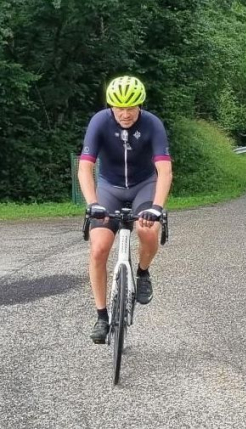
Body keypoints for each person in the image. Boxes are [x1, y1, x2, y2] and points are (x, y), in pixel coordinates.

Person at [78, 76, 173, 344]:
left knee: (148, 232)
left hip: (144, 185)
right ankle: (101, 317)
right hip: (110, 188)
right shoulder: (99, 122)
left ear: (139, 105)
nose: (125, 113)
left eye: (131, 107)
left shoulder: (152, 124)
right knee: (98, 248)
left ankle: (142, 272)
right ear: (111, 105)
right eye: (119, 107)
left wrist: (157, 207)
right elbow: (85, 166)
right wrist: (92, 203)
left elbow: (164, 170)